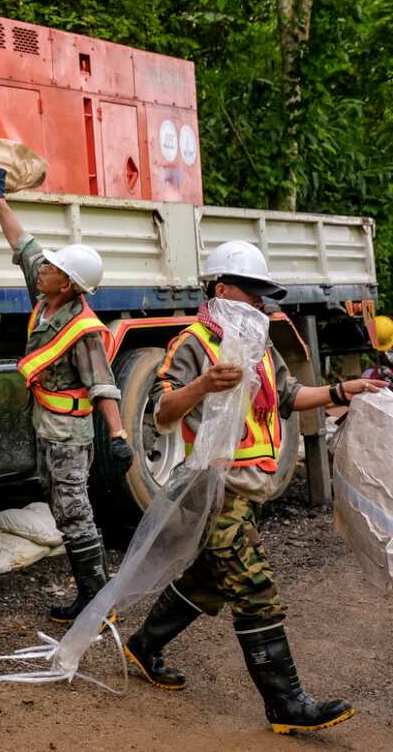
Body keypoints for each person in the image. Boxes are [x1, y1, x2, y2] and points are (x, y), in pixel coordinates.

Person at [123, 240, 383, 734]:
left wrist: (344, 390)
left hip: (249, 488)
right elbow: (161, 413)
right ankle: (287, 705)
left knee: (206, 581)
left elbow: (288, 397)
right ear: (222, 289)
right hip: (214, 489)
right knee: (254, 587)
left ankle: (143, 645)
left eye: (266, 296)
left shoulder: (258, 342)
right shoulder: (194, 342)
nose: (263, 304)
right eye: (253, 293)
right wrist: (203, 386)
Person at [0, 169, 132, 624]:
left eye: (52, 268)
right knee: (60, 506)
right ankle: (91, 595)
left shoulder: (83, 330)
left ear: (67, 284)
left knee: (73, 511)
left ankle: (97, 599)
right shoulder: (46, 295)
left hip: (69, 435)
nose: (43, 268)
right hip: (47, 426)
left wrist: (119, 433)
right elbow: (23, 244)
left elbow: (103, 385)